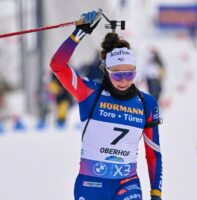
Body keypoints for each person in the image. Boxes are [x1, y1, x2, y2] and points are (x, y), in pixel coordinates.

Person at [50, 11, 163, 200]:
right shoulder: (89, 92)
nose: (123, 80)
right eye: (117, 74)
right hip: (91, 184)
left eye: (129, 74)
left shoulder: (146, 103)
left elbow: (153, 154)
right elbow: (58, 66)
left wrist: (156, 193)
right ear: (107, 71)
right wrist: (78, 34)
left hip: (127, 183)